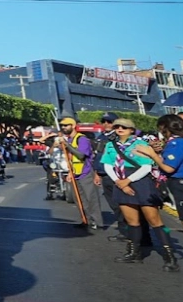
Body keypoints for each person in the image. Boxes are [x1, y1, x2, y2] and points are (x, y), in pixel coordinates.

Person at [101, 118, 177, 272]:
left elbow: (146, 167)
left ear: (131, 130)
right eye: (117, 126)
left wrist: (127, 180)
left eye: (124, 126)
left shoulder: (140, 144)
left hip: (140, 181)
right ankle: (134, 253)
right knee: (132, 221)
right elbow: (108, 165)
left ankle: (170, 257)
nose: (120, 128)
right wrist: (119, 181)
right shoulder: (110, 145)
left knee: (154, 221)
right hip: (120, 181)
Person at [59, 117, 101, 229]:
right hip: (74, 173)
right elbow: (70, 158)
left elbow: (81, 155)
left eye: (66, 125)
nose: (64, 127)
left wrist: (67, 145)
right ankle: (85, 219)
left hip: (85, 171)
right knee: (79, 199)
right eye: (62, 125)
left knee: (90, 197)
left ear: (73, 126)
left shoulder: (82, 139)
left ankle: (97, 221)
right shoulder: (68, 140)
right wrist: (69, 173)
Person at [136, 114, 183, 212]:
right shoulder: (175, 142)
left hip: (178, 182)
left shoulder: (176, 143)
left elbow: (169, 168)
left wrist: (152, 154)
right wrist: (159, 152)